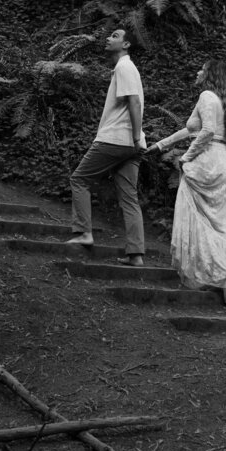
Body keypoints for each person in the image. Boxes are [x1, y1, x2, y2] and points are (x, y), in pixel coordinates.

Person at [153, 58, 226, 306]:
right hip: (224, 163)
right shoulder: (222, 101)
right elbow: (191, 129)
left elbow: (207, 131)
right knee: (220, 227)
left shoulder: (206, 96)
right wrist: (162, 145)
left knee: (198, 220)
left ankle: (213, 276)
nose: (197, 71)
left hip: (206, 162)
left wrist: (185, 158)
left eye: (202, 69)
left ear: (210, 75)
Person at [66, 20, 147, 267]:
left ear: (125, 44)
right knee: (129, 198)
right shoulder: (125, 68)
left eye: (114, 35)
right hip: (131, 144)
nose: (108, 38)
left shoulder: (124, 66)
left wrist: (133, 137)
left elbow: (133, 102)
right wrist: (136, 141)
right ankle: (136, 255)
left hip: (117, 139)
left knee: (79, 180)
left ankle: (84, 233)